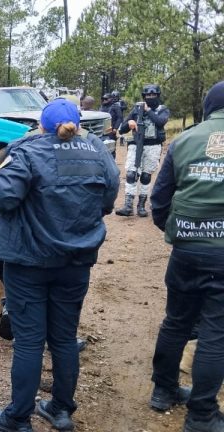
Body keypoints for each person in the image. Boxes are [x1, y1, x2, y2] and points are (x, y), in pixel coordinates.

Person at [0, 99, 119, 432]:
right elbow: (109, 198)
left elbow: (1, 197)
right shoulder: (98, 150)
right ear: (78, 125)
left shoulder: (28, 150)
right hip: (75, 262)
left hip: (29, 261)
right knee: (64, 337)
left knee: (29, 341)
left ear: (41, 125)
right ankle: (60, 409)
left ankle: (18, 418)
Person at [148, 80, 224, 432]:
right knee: (216, 332)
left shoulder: (183, 140)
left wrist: (177, 234)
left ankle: (162, 390)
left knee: (176, 320)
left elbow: (160, 200)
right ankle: (201, 414)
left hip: (187, 250)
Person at [115, 84, 170, 217]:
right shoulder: (136, 109)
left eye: (153, 95)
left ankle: (141, 205)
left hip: (153, 146)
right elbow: (122, 129)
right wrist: (129, 124)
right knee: (131, 174)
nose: (150, 97)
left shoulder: (163, 109)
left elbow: (160, 122)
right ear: (144, 96)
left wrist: (148, 110)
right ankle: (128, 205)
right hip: (136, 144)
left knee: (146, 176)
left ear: (158, 96)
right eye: (148, 95)